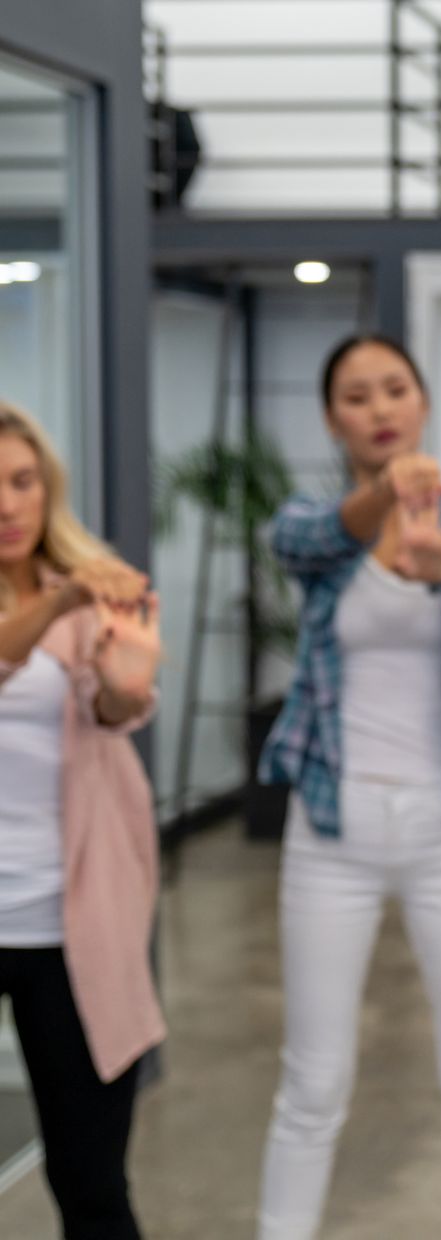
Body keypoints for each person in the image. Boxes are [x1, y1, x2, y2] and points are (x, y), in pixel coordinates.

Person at [255, 335, 441, 1240]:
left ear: (420, 404)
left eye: (393, 390)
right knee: (314, 1082)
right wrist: (384, 502)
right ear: (332, 418)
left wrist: (438, 560)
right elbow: (298, 540)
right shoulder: (320, 523)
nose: (378, 409)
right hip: (331, 830)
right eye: (355, 396)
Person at [0, 400, 163, 1240]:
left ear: (47, 489)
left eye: (23, 481)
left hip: (72, 927)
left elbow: (114, 707)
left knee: (92, 1183)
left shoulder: (91, 588)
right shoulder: (68, 597)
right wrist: (58, 603)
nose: (7, 504)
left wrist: (125, 687)